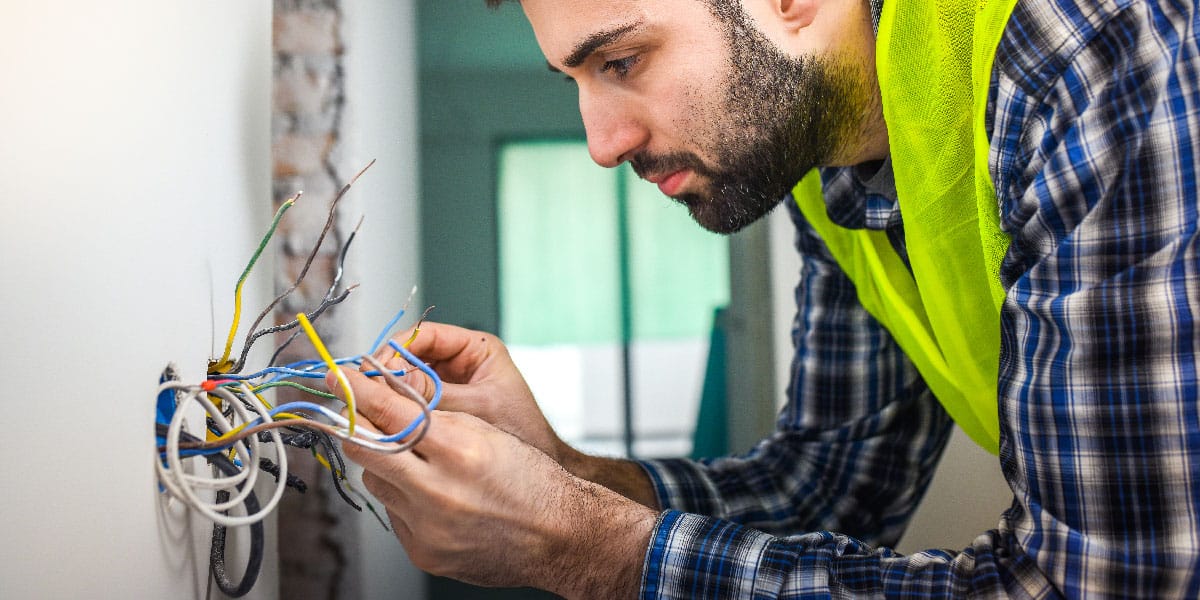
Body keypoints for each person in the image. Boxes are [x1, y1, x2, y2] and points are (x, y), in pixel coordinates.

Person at [332, 0, 1200, 597]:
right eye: (578, 81)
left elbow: (1107, 583)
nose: (601, 142)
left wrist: (578, 545)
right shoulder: (830, 160)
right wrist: (567, 474)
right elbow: (827, 485)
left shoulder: (1091, 45)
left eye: (622, 60)